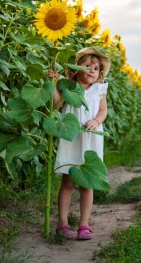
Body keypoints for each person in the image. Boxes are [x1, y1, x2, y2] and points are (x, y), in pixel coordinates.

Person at [48, 47, 111, 241]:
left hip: (90, 137)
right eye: (87, 66)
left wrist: (96, 121)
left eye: (96, 67)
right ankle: (63, 223)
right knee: (67, 181)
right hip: (72, 137)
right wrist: (53, 82)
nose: (93, 70)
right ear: (75, 69)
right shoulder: (68, 86)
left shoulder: (99, 90)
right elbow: (57, 103)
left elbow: (102, 111)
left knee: (87, 182)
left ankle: (84, 224)